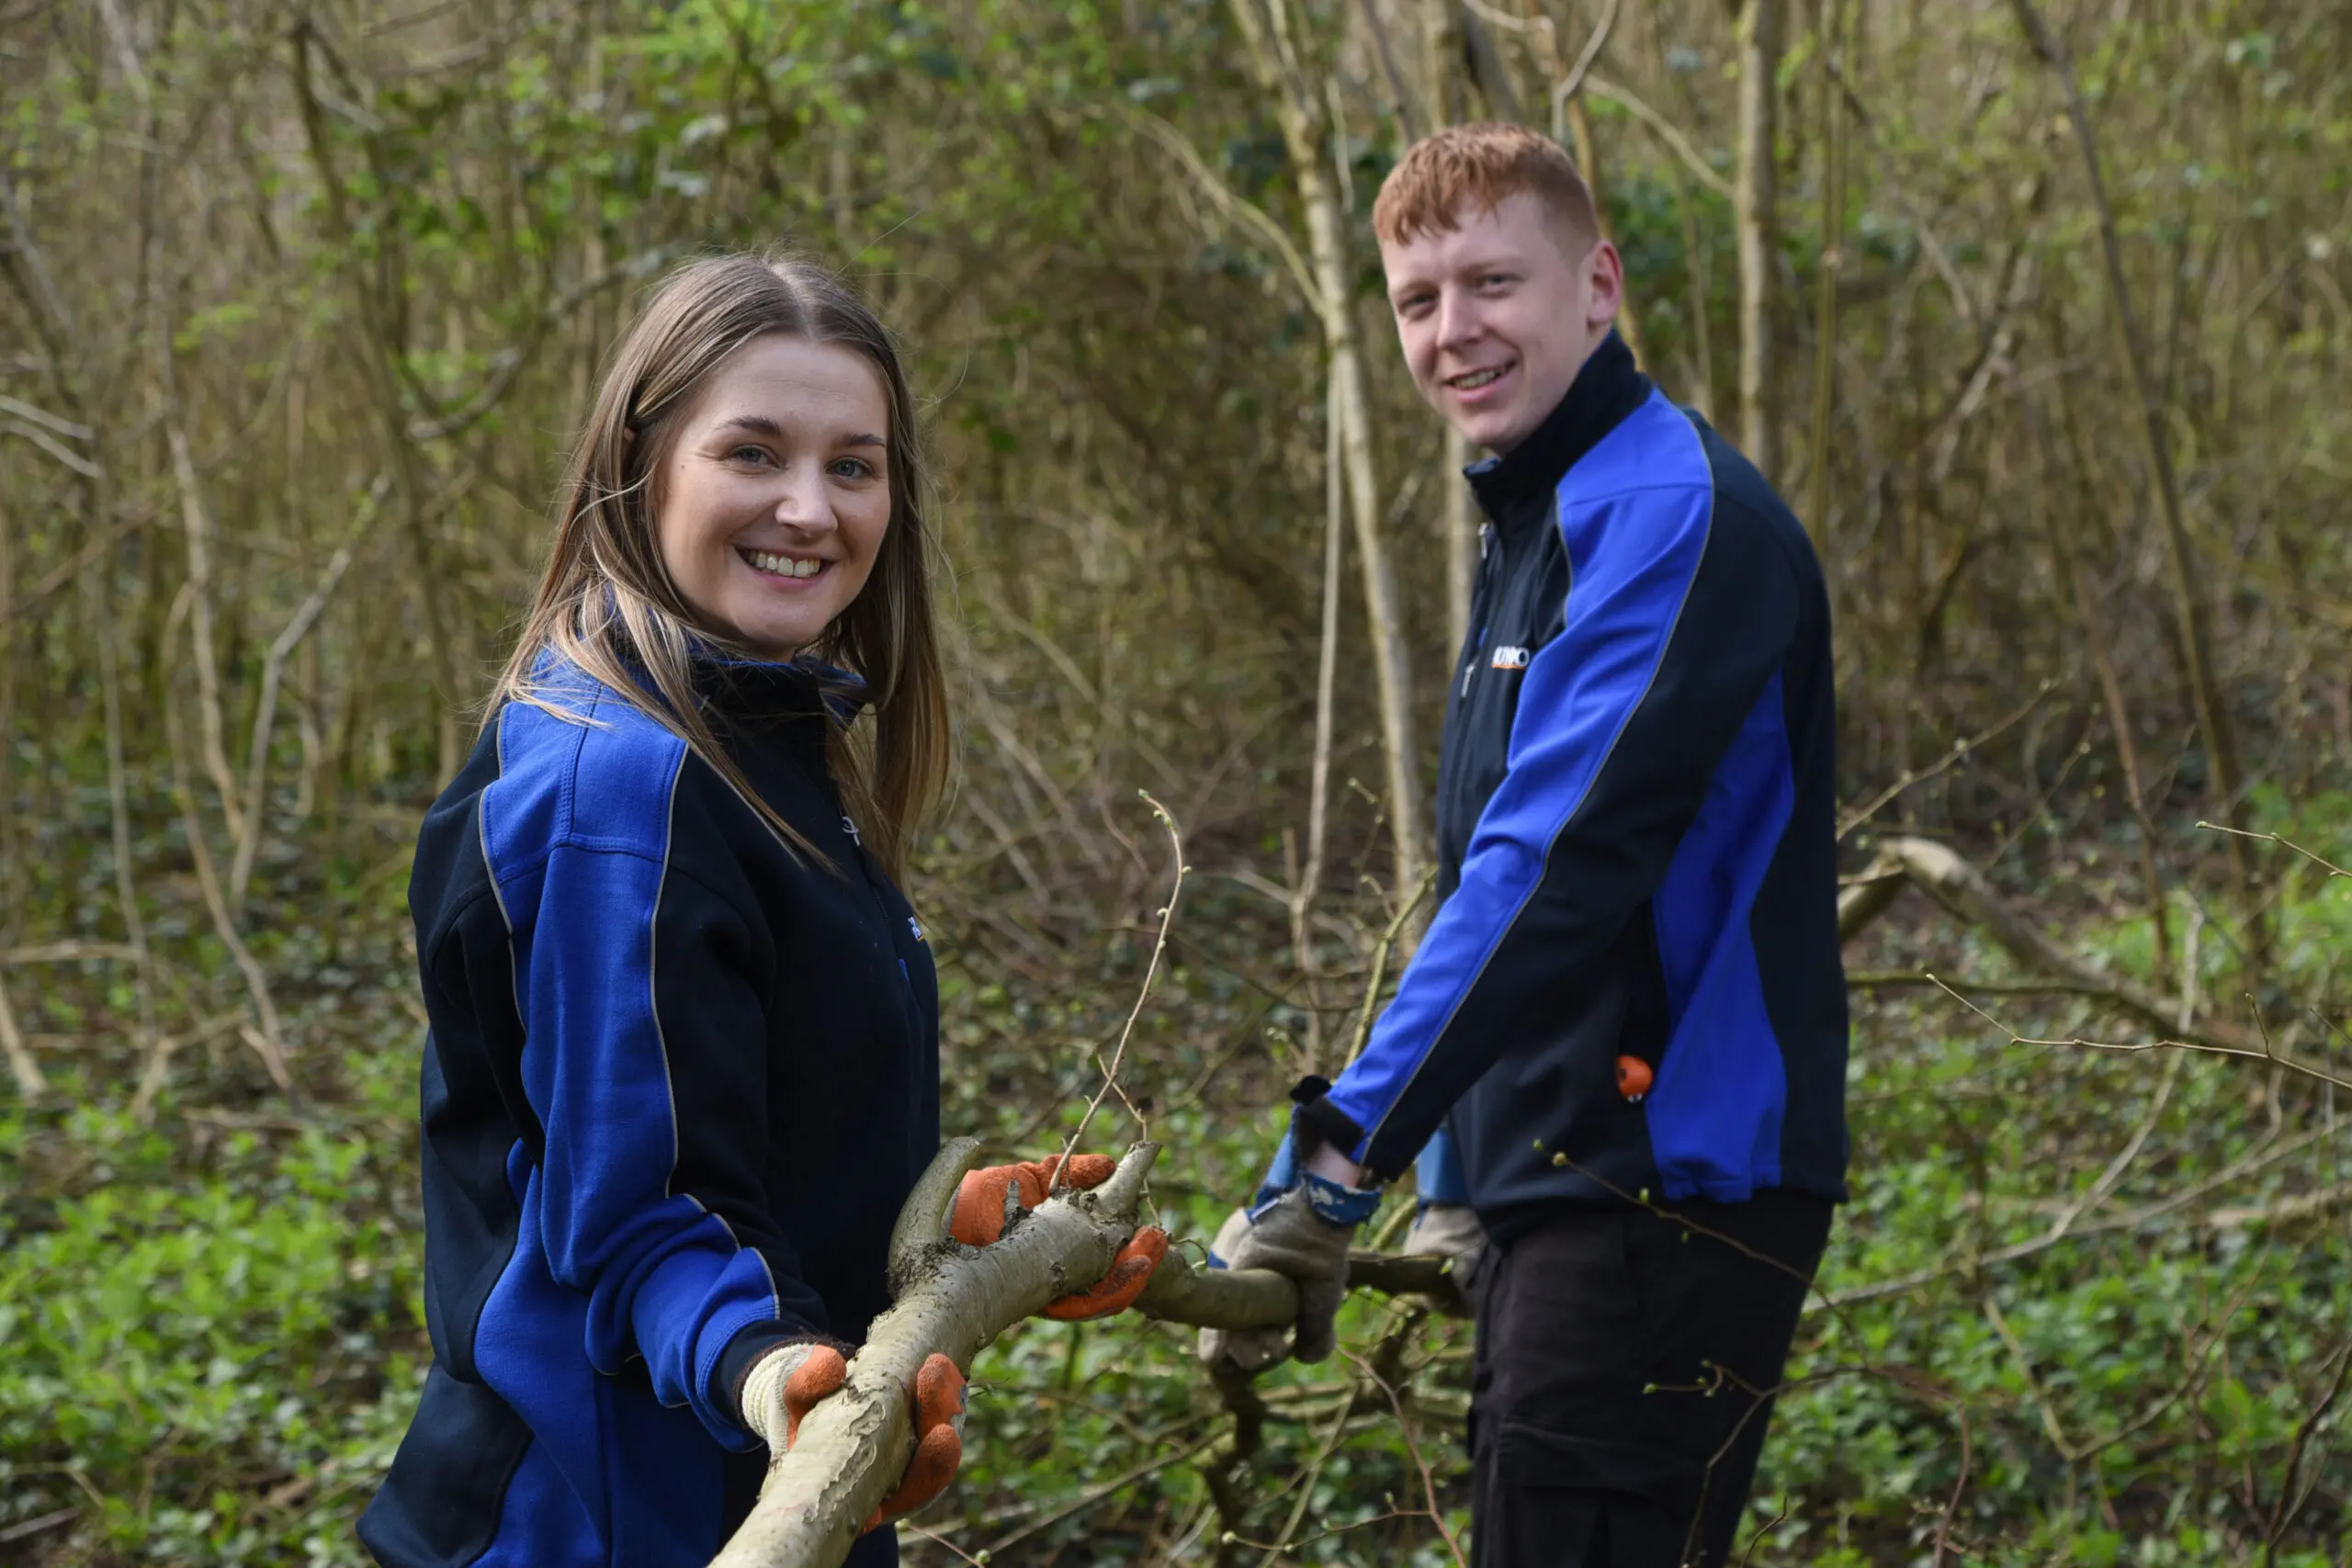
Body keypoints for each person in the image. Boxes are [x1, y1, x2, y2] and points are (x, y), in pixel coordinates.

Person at [358, 253, 1160, 1568]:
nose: (809, 506)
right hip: (604, 1523)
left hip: (789, 1493)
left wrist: (958, 1223)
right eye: (753, 452)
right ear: (642, 463)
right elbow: (641, 1214)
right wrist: (777, 1371)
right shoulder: (619, 792)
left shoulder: (763, 738)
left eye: (854, 465)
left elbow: (746, 1106)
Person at [1200, 125, 1849, 1568]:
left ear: (1598, 284)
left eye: (1493, 282)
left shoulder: (1669, 514)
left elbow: (1551, 874)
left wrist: (1337, 1163)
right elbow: (1519, 881)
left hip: (1664, 1193)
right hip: (1565, 1186)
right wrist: (1462, 1177)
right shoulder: (1540, 514)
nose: (1452, 332)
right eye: (1418, 300)